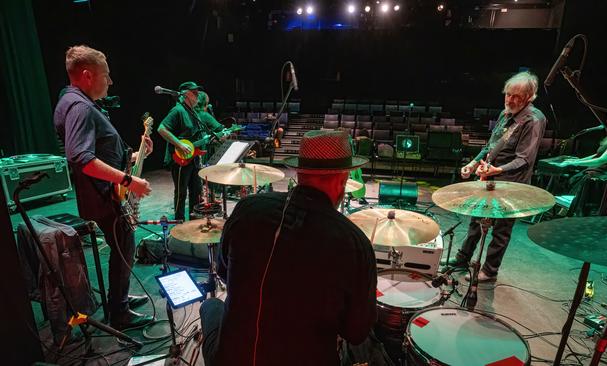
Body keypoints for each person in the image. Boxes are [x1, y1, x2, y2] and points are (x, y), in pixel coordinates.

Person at [199, 130, 377, 365]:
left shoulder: (247, 209)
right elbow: (356, 333)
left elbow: (223, 272)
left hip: (231, 358)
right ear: (342, 180)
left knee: (210, 304)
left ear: (298, 173)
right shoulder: (354, 243)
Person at [53, 45, 153, 329]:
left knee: (123, 245)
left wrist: (134, 157)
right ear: (87, 75)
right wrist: (129, 180)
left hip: (103, 192)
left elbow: (99, 151)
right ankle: (118, 313)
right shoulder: (80, 107)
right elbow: (82, 157)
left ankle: (117, 301)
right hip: (102, 197)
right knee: (124, 245)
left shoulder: (74, 100)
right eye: (106, 75)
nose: (110, 82)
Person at [451, 71, 547, 282]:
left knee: (501, 232)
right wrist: (473, 162)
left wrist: (498, 170)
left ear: (529, 97)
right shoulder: (506, 114)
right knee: (475, 222)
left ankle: (490, 271)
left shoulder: (534, 120)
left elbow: (524, 159)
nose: (510, 100)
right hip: (489, 178)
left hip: (512, 184)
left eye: (516, 97)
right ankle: (462, 259)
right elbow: (490, 145)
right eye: (508, 95)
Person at [157, 82, 223, 221]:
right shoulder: (178, 110)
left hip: (193, 158)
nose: (198, 96)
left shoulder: (193, 112)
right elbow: (162, 129)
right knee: (181, 194)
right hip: (180, 159)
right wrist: (179, 143)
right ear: (186, 94)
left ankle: (193, 224)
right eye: (195, 93)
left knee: (196, 193)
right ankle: (178, 223)